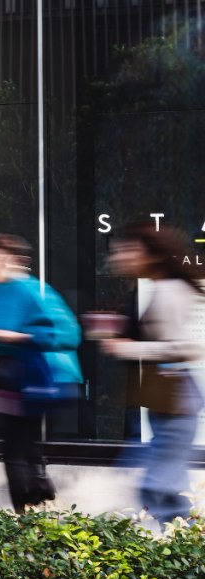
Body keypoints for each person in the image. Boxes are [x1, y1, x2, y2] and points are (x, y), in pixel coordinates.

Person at [0, 233, 83, 513]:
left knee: (18, 450)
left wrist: (20, 337)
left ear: (5, 259)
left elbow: (69, 334)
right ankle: (38, 509)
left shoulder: (32, 290)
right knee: (19, 450)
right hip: (8, 380)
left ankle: (31, 515)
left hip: (40, 380)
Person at [101, 224, 203, 525]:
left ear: (152, 255)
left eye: (127, 251)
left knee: (158, 488)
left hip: (176, 398)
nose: (119, 257)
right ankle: (185, 542)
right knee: (165, 490)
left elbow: (187, 348)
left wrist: (128, 349)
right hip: (166, 400)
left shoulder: (170, 290)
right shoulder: (159, 287)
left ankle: (185, 543)